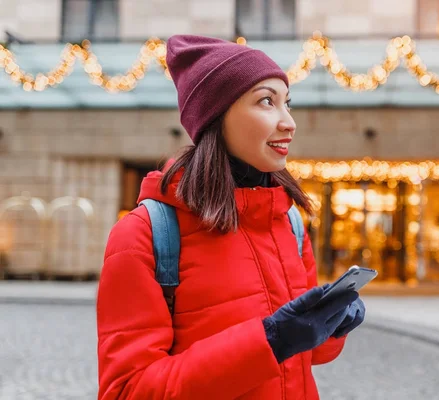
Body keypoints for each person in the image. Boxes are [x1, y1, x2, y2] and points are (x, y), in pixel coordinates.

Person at [96, 35, 366, 400]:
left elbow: (307, 355)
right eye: (267, 101)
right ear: (216, 115)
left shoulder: (289, 222)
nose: (289, 123)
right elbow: (127, 391)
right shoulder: (144, 233)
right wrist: (269, 341)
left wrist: (330, 325)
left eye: (288, 104)